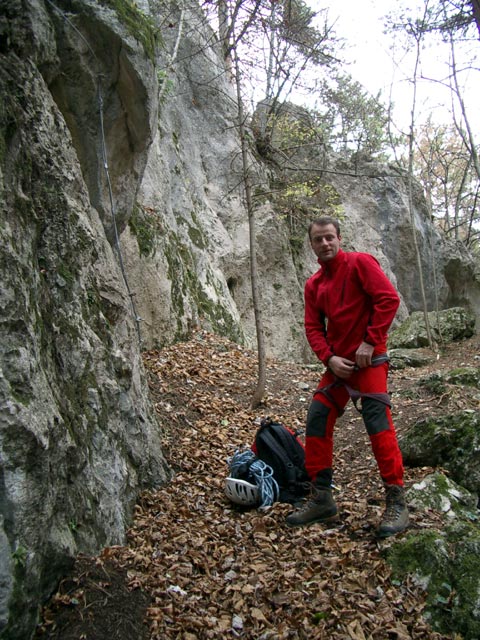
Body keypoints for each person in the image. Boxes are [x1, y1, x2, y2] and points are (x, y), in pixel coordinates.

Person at [286, 216, 408, 537]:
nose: (325, 243)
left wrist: (370, 340)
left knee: (376, 420)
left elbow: (388, 299)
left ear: (339, 238)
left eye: (329, 237)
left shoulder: (360, 264)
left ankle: (396, 500)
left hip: (370, 361)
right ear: (311, 245)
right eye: (318, 239)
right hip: (339, 366)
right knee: (317, 415)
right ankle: (322, 498)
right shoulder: (314, 285)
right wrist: (329, 358)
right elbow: (313, 327)